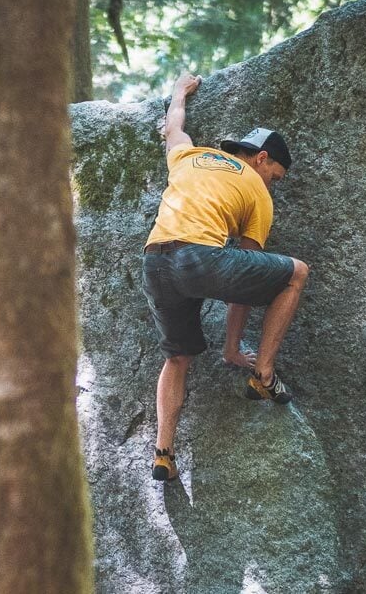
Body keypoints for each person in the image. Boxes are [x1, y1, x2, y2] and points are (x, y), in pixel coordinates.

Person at [143, 72, 310, 482]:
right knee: (295, 274)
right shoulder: (256, 192)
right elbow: (246, 287)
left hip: (155, 261)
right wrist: (233, 349)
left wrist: (180, 90)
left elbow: (173, 126)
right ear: (261, 159)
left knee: (177, 357)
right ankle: (264, 375)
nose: (274, 185)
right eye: (276, 176)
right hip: (199, 259)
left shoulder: (189, 156)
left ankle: (164, 451)